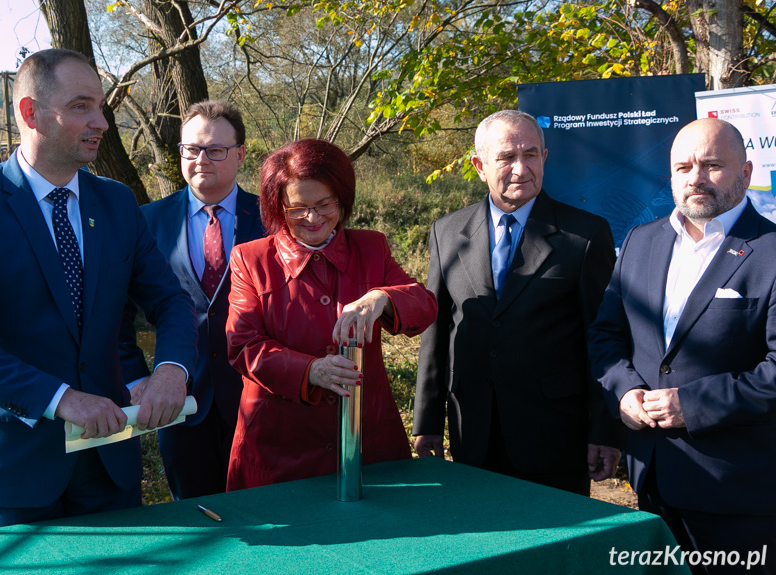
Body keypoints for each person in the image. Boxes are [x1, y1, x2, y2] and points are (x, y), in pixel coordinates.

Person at [0, 48, 198, 531]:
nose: (101, 122)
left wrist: (172, 369)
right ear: (30, 112)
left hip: (109, 462)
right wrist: (60, 397)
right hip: (10, 466)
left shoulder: (116, 202)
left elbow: (169, 300)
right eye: (80, 106)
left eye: (101, 106)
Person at [589, 118, 776, 574]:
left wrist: (691, 405)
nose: (695, 178)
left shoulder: (770, 251)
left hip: (738, 493)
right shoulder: (640, 241)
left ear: (746, 173)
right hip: (651, 479)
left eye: (712, 165)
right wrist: (625, 392)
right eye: (683, 167)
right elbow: (606, 335)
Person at [412, 109, 620, 496]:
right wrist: (426, 423)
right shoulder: (447, 232)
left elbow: (603, 339)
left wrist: (605, 430)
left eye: (531, 154)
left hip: (554, 437)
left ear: (545, 157)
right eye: (507, 157)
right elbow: (436, 335)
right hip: (472, 431)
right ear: (479, 165)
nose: (521, 168)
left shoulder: (585, 235)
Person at [224, 138, 438, 490]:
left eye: (325, 203)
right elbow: (244, 346)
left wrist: (381, 297)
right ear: (278, 207)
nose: (313, 217)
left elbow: (424, 303)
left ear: (342, 197)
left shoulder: (371, 247)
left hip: (368, 441)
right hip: (279, 448)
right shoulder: (251, 259)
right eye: (298, 208)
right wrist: (312, 371)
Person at [120, 101, 264, 498]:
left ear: (240, 154)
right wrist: (135, 377)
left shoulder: (272, 218)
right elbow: (117, 314)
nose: (201, 159)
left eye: (215, 150)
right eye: (191, 149)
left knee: (271, 518)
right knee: (199, 524)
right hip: (181, 407)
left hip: (261, 399)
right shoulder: (145, 221)